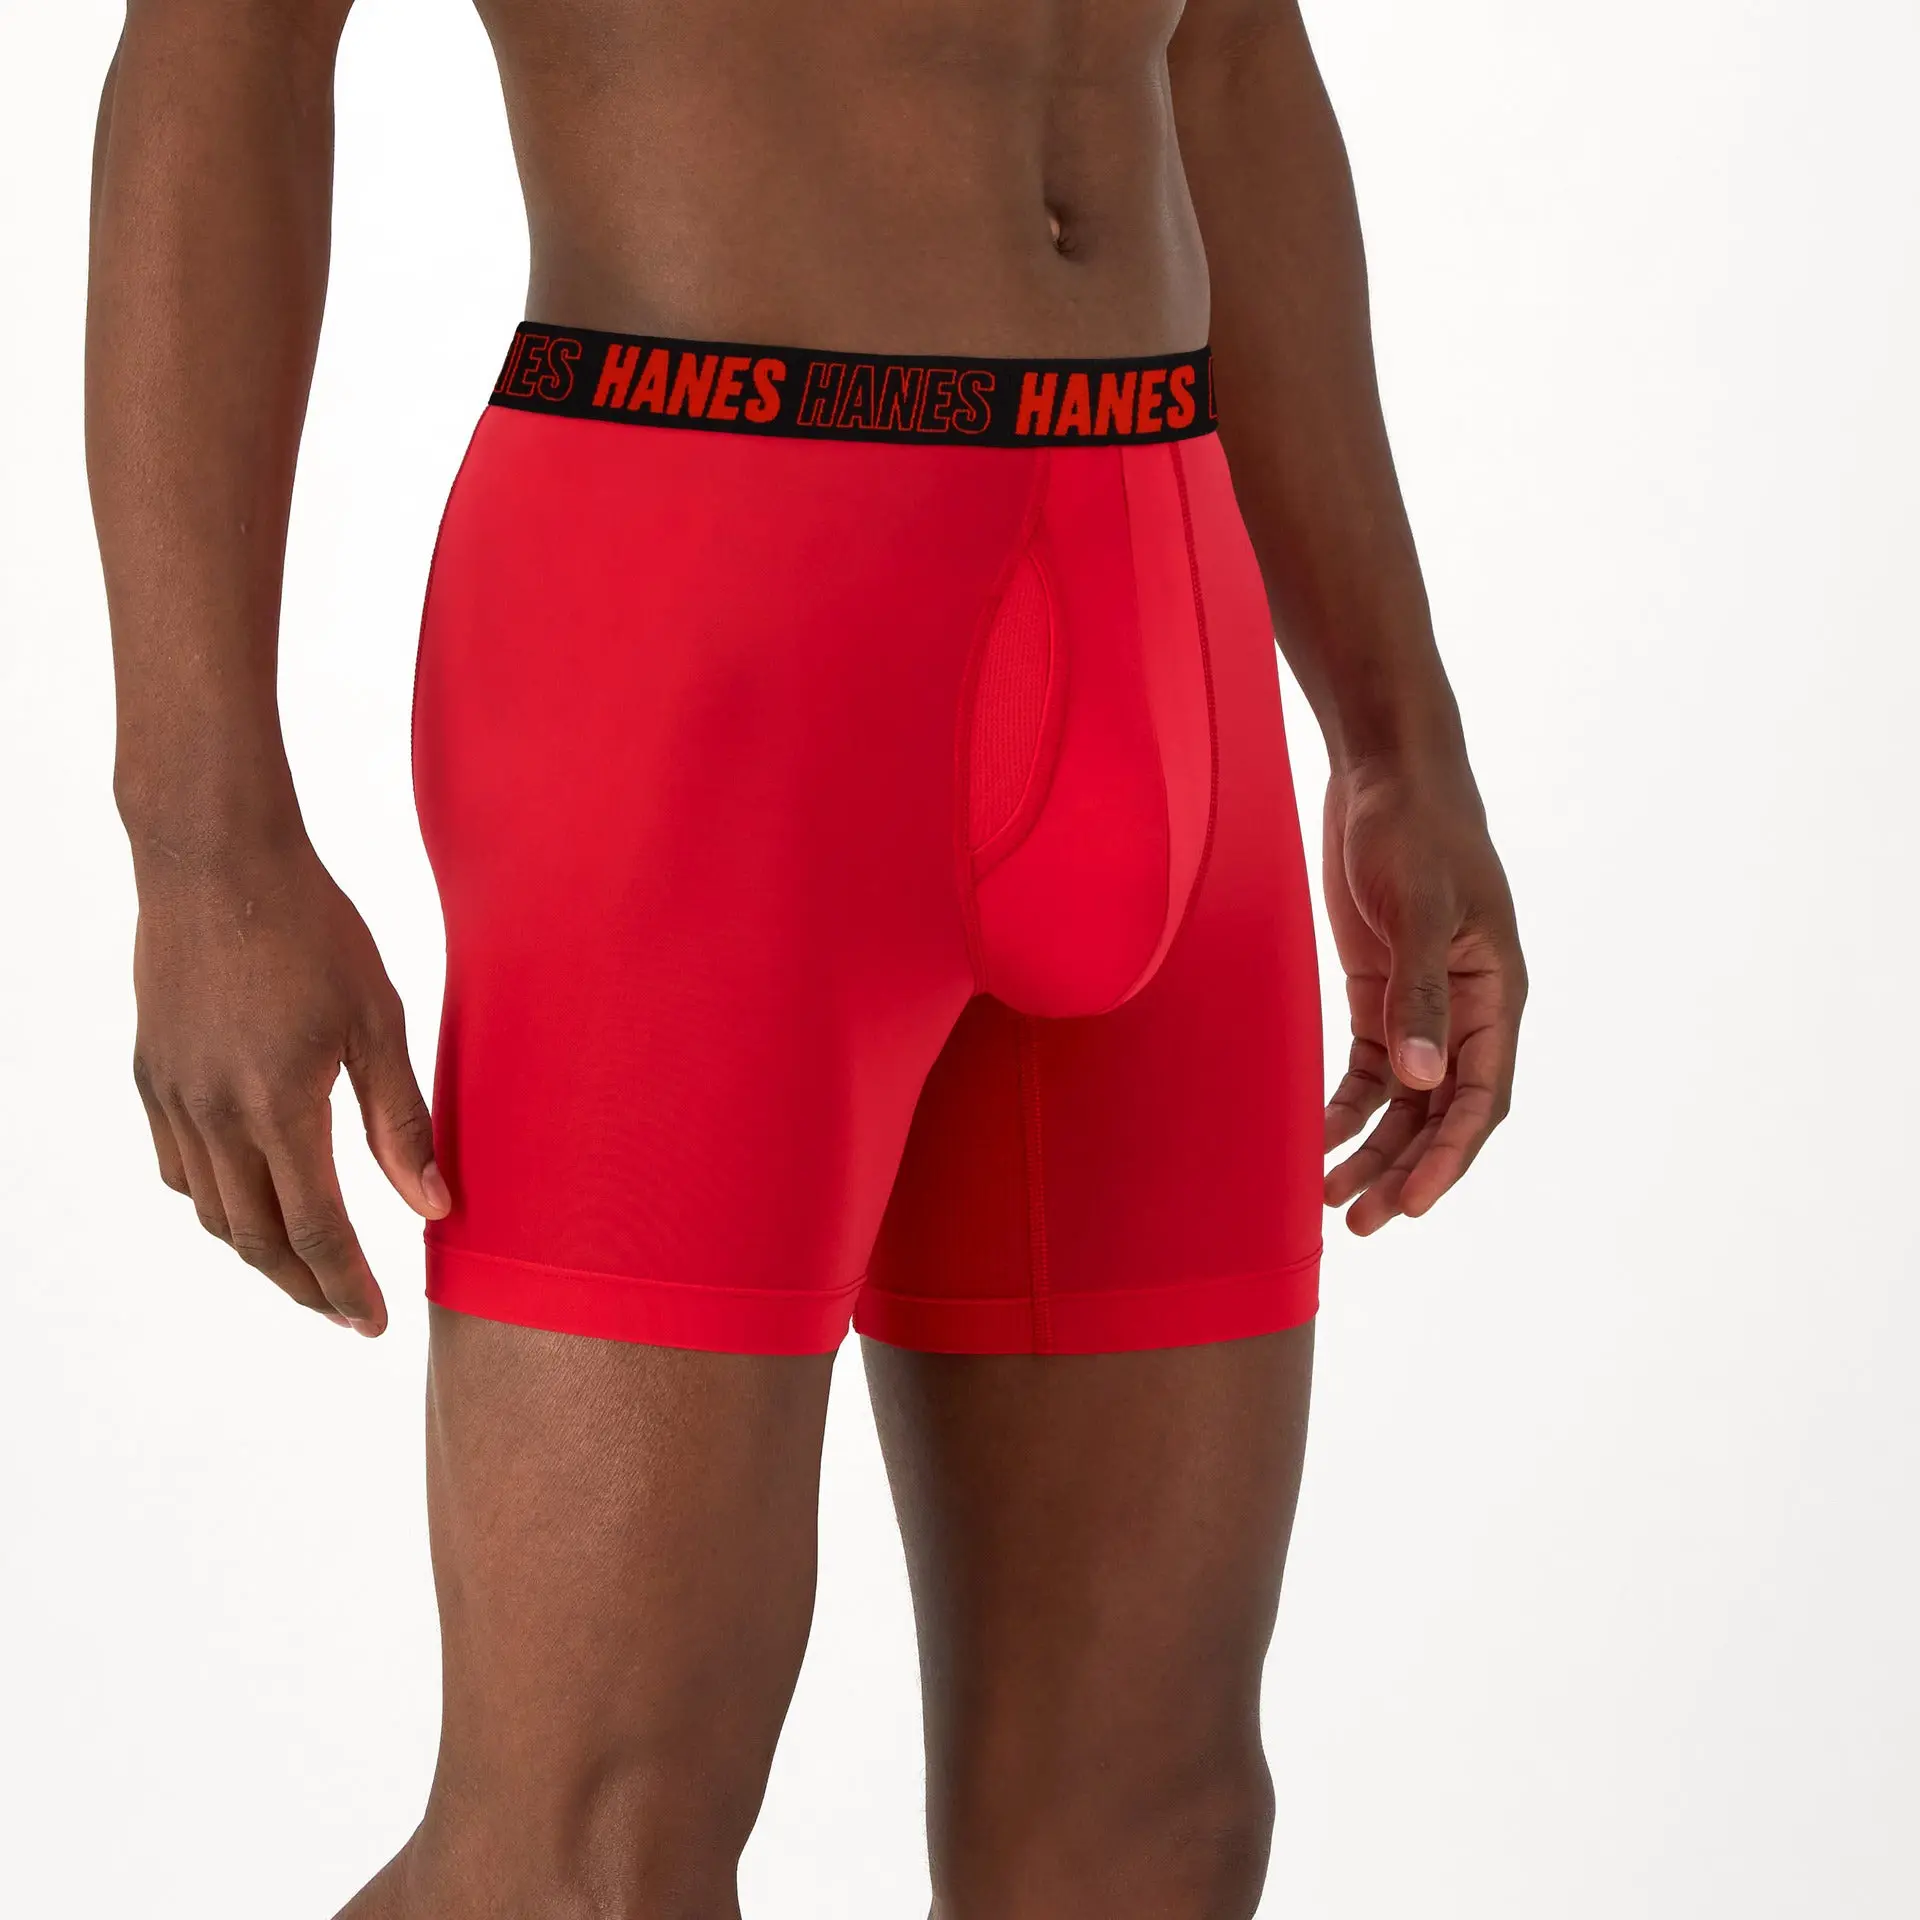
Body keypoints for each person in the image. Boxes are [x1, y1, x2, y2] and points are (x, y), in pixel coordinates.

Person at [86, 0, 1525, 1913]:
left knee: (1150, 1834)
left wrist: (1397, 734)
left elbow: (1234, 55)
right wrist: (199, 837)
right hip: (703, 601)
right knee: (589, 1858)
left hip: (1160, 579)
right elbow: (225, 49)